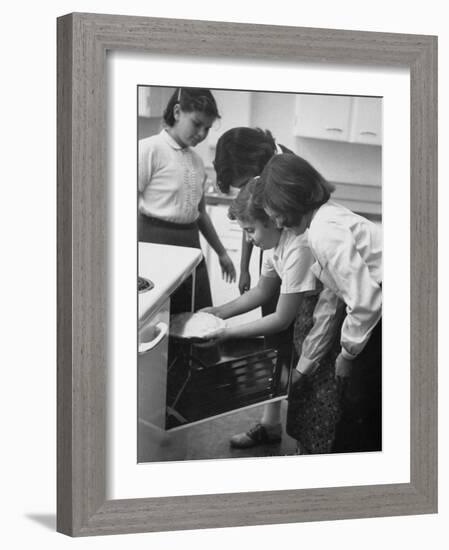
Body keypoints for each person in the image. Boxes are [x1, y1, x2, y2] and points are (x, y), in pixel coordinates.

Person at [201, 178, 344, 453]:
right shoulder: (274, 245)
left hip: (326, 325)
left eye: (249, 230)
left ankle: (316, 460)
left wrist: (225, 333)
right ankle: (304, 449)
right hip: (307, 323)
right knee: (304, 396)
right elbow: (262, 292)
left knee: (320, 396)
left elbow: (281, 318)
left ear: (272, 221)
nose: (248, 239)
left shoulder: (299, 247)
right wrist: (219, 313)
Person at [260, 153, 382, 453]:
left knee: (360, 410)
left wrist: (348, 354)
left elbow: (365, 301)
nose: (275, 221)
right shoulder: (325, 218)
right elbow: (335, 295)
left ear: (291, 197)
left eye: (275, 211)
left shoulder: (324, 231)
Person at [138, 87, 235, 313]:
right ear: (178, 111)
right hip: (154, 243)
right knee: (159, 316)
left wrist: (222, 253)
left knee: (196, 315)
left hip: (191, 244)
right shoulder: (148, 149)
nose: (201, 133)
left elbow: (200, 214)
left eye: (207, 128)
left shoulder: (197, 162)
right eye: (197, 124)